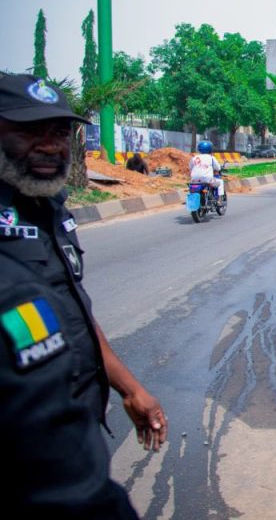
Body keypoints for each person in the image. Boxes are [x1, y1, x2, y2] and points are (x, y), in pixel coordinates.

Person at [0, 73, 167, 516]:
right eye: (29, 131)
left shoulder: (49, 207)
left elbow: (71, 312)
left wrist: (129, 389)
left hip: (73, 421)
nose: (51, 145)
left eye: (58, 132)